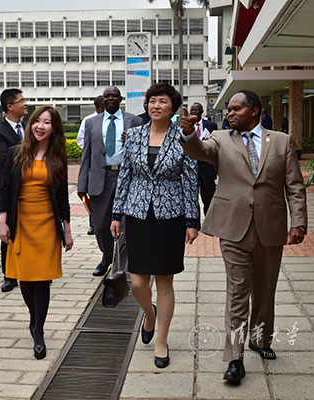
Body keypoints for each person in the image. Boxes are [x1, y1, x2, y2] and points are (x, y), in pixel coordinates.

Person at [180, 89, 307, 384]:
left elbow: (294, 185)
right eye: (229, 110)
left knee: (265, 289)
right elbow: (199, 151)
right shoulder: (221, 139)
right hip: (233, 227)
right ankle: (234, 358)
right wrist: (188, 134)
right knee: (238, 291)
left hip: (270, 226)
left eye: (236, 109)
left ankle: (260, 340)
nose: (230, 114)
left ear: (255, 111)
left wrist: (298, 222)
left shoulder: (281, 141)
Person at [110, 83, 200, 369]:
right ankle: (149, 315)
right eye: (152, 101)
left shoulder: (182, 138)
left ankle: (161, 340)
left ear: (173, 108)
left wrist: (192, 220)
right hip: (137, 215)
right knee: (138, 283)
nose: (156, 106)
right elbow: (125, 176)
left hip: (170, 217)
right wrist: (116, 214)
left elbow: (191, 181)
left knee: (164, 281)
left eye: (162, 101)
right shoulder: (134, 135)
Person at [0, 106, 73, 360]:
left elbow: (62, 197)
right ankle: (34, 317)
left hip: (47, 225)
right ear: (30, 125)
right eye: (37, 121)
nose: (41, 126)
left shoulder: (57, 157)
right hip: (21, 224)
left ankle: (38, 331)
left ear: (54, 129)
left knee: (41, 280)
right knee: (26, 280)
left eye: (47, 122)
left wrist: (67, 229)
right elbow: (4, 190)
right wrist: (3, 222)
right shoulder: (16, 153)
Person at [77, 86, 142, 277]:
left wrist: (132, 142)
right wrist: (82, 185)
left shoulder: (135, 121)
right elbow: (86, 154)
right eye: (107, 96)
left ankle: (119, 267)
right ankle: (107, 258)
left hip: (127, 177)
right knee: (100, 226)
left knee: (125, 227)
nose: (111, 98)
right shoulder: (91, 123)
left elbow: (142, 151)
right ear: (102, 100)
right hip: (101, 178)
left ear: (121, 99)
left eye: (115, 95)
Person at [0, 88, 29, 292]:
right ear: (10, 106)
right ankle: (9, 276)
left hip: (30, 190)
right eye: (21, 100)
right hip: (9, 191)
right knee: (9, 232)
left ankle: (32, 272)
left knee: (30, 231)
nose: (25, 103)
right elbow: (8, 160)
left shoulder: (30, 127)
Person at [76, 95, 104, 236]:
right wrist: (93, 151)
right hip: (94, 163)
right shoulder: (88, 120)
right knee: (93, 195)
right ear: (101, 105)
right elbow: (80, 139)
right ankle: (93, 225)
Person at [189, 102, 219, 214]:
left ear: (201, 111)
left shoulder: (211, 125)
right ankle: (195, 221)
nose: (194, 112)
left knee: (209, 197)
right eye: (192, 110)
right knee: (192, 198)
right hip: (191, 166)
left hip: (206, 166)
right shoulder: (186, 126)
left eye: (196, 110)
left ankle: (209, 219)